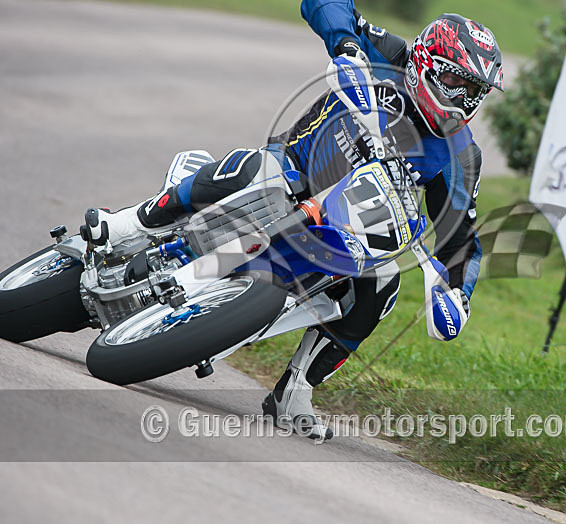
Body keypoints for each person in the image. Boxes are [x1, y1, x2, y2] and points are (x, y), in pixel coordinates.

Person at [83, 0, 503, 440]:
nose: (463, 99)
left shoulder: (461, 155)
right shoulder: (389, 54)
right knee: (259, 171)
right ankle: (131, 223)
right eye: (455, 81)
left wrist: (458, 293)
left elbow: (460, 238)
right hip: (293, 167)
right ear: (425, 63)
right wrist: (346, 46)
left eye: (474, 91)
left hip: (345, 222)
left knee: (384, 284)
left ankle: (296, 390)